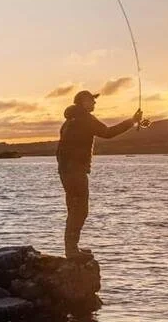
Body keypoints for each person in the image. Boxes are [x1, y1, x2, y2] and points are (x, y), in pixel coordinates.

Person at [57, 89, 148, 258]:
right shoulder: (84, 119)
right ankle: (71, 250)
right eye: (92, 100)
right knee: (80, 210)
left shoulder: (70, 120)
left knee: (74, 209)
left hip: (66, 171)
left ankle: (71, 248)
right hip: (75, 172)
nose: (95, 103)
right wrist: (133, 121)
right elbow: (107, 133)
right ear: (84, 101)